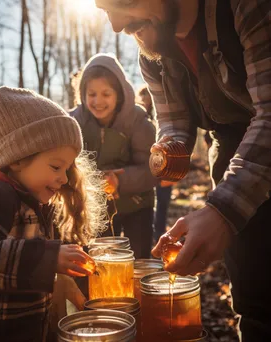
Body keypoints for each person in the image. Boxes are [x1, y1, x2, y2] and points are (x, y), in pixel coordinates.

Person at [95, 0, 271, 339]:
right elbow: (174, 122)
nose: (117, 25)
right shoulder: (151, 50)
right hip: (231, 147)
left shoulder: (247, 9)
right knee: (255, 292)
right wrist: (164, 155)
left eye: (123, 3)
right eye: (105, 11)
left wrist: (222, 212)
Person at [0, 86, 107, 342]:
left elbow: (22, 266)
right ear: (17, 160)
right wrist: (48, 258)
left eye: (68, 168)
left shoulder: (35, 201)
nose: (63, 178)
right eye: (55, 166)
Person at [71, 53, 158, 259]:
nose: (98, 101)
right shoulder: (74, 122)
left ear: (118, 94)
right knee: (102, 261)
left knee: (137, 260)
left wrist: (120, 180)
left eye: (105, 94)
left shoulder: (138, 121)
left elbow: (153, 169)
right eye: (91, 94)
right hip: (97, 208)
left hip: (137, 206)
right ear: (82, 94)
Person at [137, 85, 173, 243]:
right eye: (142, 97)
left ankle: (159, 235)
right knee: (148, 203)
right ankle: (150, 234)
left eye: (147, 97)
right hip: (145, 168)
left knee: (163, 202)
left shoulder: (163, 116)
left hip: (163, 165)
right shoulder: (138, 118)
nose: (145, 101)